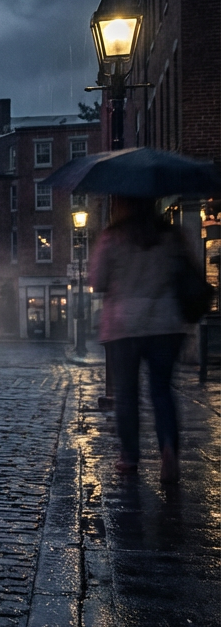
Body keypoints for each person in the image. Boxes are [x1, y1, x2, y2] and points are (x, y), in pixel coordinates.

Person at [90, 195, 192, 484]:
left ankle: (130, 456)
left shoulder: (112, 237)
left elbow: (97, 280)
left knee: (127, 394)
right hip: (166, 322)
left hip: (124, 325)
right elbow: (182, 273)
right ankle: (168, 449)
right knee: (161, 390)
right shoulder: (171, 235)